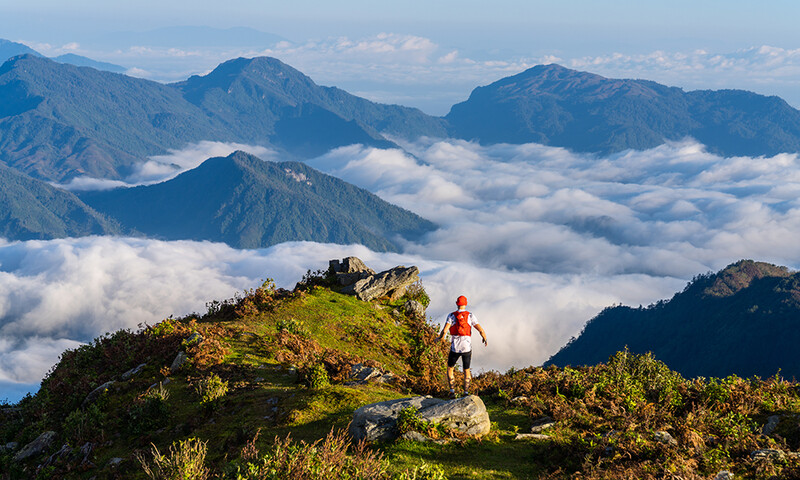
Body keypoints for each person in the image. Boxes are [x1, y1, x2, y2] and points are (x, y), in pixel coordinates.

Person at [437, 295, 487, 398]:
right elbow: (480, 330)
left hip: (455, 347)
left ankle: (452, 391)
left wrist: (439, 339)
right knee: (466, 370)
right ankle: (466, 393)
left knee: (450, 368)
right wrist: (484, 338)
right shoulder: (470, 316)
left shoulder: (451, 316)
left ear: (456, 303)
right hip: (467, 348)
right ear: (466, 303)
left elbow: (445, 330)